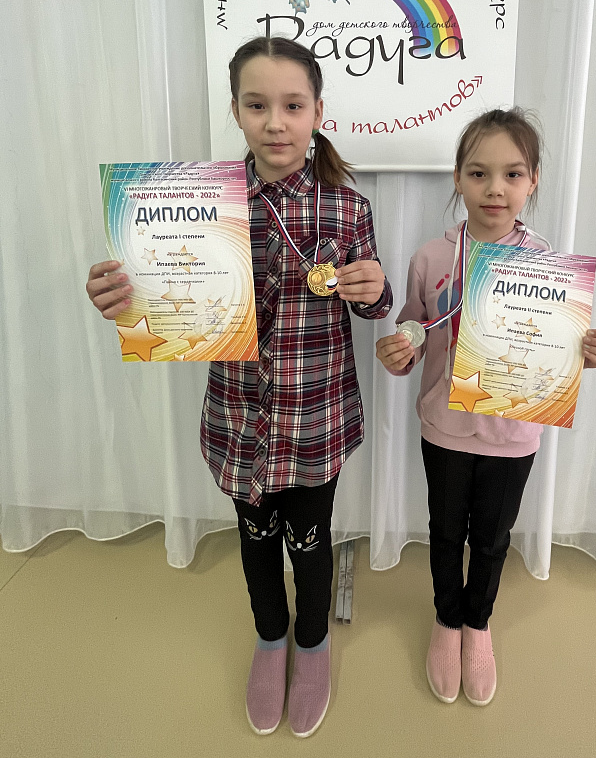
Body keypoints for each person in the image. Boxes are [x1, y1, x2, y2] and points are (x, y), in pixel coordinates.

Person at [86, 36, 392, 738]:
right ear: (235, 111)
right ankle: (270, 636)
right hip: (239, 415)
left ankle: (311, 642)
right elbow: (164, 302)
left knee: (310, 540)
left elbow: (374, 306)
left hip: (314, 418)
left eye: (293, 106)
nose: (275, 122)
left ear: (318, 112)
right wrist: (127, 297)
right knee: (255, 538)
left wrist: (374, 289)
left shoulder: (347, 208)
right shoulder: (196, 205)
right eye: (257, 106)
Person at [376, 108, 596, 707]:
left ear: (533, 181)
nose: (495, 189)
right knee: (445, 531)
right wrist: (399, 350)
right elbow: (413, 331)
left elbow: (553, 355)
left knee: (492, 537)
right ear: (457, 178)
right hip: (445, 427)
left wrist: (583, 353)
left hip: (514, 434)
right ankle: (446, 620)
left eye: (512, 174)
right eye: (478, 173)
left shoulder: (546, 266)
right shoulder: (431, 258)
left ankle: (477, 624)